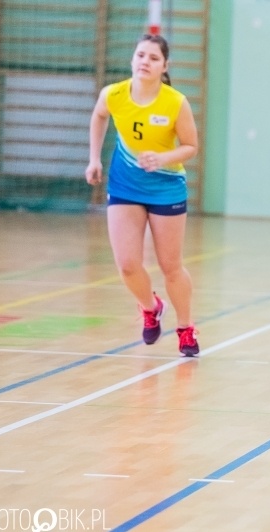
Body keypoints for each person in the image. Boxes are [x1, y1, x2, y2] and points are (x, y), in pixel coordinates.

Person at [85, 34, 200, 357]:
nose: (145, 62)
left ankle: (186, 327)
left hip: (166, 187)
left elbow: (191, 146)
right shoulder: (115, 94)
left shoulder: (175, 102)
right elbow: (99, 115)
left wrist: (162, 158)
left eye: (153, 57)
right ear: (132, 60)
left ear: (165, 66)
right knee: (127, 265)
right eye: (140, 55)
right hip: (125, 186)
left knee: (170, 266)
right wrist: (94, 158)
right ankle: (151, 307)